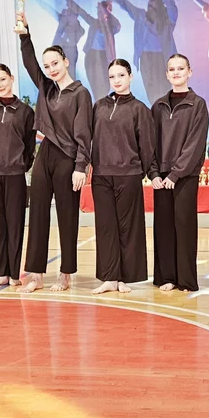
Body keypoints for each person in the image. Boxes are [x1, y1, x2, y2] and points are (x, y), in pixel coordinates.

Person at [16, 13, 92, 293]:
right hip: (46, 152)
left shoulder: (80, 93)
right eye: (47, 65)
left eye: (55, 63)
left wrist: (81, 166)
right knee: (37, 213)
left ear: (66, 61)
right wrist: (25, 35)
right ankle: (35, 274)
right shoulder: (46, 88)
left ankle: (66, 273)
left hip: (68, 158)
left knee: (67, 216)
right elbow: (30, 63)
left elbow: (84, 133)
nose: (51, 69)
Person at [91, 59, 155, 294]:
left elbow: (147, 146)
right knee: (106, 227)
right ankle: (109, 277)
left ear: (130, 77)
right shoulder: (99, 106)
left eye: (121, 75)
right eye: (112, 77)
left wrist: (142, 171)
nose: (116, 81)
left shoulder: (140, 109)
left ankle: (124, 278)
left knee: (128, 228)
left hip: (129, 175)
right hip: (101, 175)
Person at [149, 54, 209, 292]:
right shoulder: (158, 106)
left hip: (184, 176)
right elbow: (151, 143)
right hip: (161, 177)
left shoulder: (198, 104)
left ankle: (186, 279)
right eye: (172, 69)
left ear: (189, 72)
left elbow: (195, 143)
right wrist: (154, 173)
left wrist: (175, 174)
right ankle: (167, 277)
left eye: (180, 68)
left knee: (184, 227)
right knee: (163, 228)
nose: (176, 73)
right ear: (167, 74)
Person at [0, 64, 36, 288]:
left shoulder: (26, 112)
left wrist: (19, 165)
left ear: (11, 78)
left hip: (14, 174)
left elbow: (29, 145)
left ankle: (13, 273)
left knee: (15, 223)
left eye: (2, 79)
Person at [96, 0, 178, 104]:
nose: (150, 4)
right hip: (145, 59)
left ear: (160, 4)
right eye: (150, 0)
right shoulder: (141, 15)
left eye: (154, 1)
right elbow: (124, 3)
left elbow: (172, 7)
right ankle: (154, 114)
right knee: (152, 95)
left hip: (161, 60)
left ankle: (164, 114)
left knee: (164, 93)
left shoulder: (167, 21)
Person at [55, 0, 121, 102]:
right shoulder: (94, 22)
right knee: (95, 86)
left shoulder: (111, 27)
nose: (98, 14)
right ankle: (97, 106)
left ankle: (103, 106)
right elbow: (81, 11)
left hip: (104, 57)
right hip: (91, 56)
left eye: (101, 12)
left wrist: (106, 11)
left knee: (105, 86)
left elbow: (118, 26)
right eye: (98, 11)